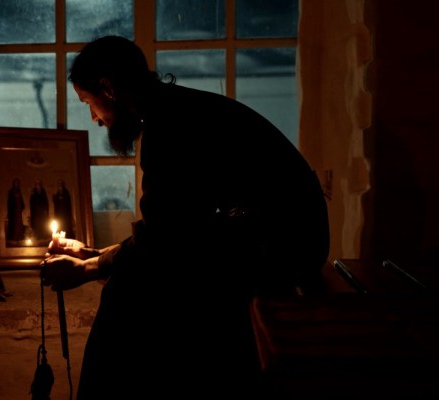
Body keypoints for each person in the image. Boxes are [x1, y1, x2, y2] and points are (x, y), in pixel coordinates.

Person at [41, 35, 330, 399]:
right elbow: (174, 228)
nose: (94, 118)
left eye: (89, 103)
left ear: (108, 88)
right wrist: (99, 257)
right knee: (141, 283)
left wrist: (90, 268)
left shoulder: (170, 126)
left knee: (125, 297)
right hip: (264, 238)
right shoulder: (176, 109)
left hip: (284, 250)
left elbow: (167, 236)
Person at [6, 177, 25, 243]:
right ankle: (14, 237)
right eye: (16, 183)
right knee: (14, 224)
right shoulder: (11, 192)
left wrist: (21, 206)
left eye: (17, 183)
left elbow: (21, 200)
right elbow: (10, 202)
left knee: (19, 223)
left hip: (18, 210)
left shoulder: (19, 191)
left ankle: (20, 237)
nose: (17, 184)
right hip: (14, 211)